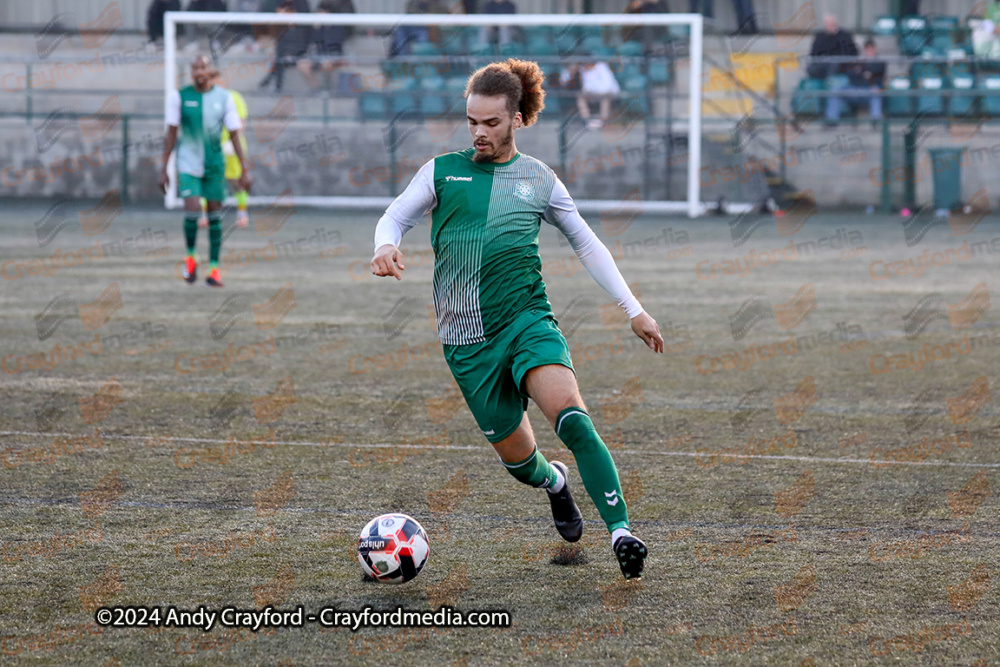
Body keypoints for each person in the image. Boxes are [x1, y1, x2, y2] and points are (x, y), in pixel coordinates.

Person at [369, 59, 664, 580]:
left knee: (571, 415)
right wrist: (385, 245)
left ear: (518, 120)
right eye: (472, 122)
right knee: (521, 465)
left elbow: (587, 244)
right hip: (466, 342)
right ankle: (554, 482)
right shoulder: (442, 170)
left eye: (491, 123)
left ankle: (621, 531)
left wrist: (634, 310)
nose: (479, 133)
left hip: (527, 321)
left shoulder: (538, 179)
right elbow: (395, 214)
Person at [159, 55, 252, 287]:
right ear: (191, 71)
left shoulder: (225, 98)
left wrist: (244, 168)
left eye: (204, 67)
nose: (200, 71)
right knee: (191, 210)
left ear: (211, 71)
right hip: (188, 163)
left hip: (214, 165)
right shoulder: (179, 97)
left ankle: (214, 268)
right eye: (196, 68)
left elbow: (234, 133)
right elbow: (170, 134)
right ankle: (191, 259)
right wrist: (164, 168)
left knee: (214, 216)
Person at [199, 86, 251, 228]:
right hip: (213, 148)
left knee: (237, 180)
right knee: (207, 179)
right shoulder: (205, 98)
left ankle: (242, 213)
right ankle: (204, 215)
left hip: (232, 149)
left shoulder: (235, 97)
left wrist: (230, 142)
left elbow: (241, 123)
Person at [826, 38, 884, 126]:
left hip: (868, 90)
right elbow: (851, 75)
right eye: (867, 48)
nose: (869, 51)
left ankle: (875, 121)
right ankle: (831, 120)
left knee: (876, 91)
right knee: (836, 89)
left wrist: (861, 71)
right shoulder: (857, 61)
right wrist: (866, 73)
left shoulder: (880, 62)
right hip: (855, 89)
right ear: (864, 50)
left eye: (871, 48)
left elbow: (877, 78)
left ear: (875, 49)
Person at [258, 0, 312, 92]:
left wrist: (287, 14)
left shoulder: (302, 3)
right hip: (284, 42)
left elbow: (303, 21)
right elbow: (274, 15)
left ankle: (271, 82)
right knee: (280, 54)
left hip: (299, 44)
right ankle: (276, 85)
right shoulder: (278, 2)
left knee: (280, 56)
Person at [300, 0, 355, 90]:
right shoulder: (316, 28)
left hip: (333, 55)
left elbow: (335, 45)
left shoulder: (337, 27)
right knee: (303, 64)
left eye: (321, 13)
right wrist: (316, 29)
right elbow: (310, 42)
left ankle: (328, 90)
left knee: (326, 63)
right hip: (317, 56)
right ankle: (317, 89)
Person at [563, 60, 621, 130]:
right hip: (593, 94)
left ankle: (603, 122)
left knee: (605, 97)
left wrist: (595, 92)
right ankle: (587, 121)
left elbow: (608, 86)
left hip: (608, 93)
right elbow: (564, 80)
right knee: (580, 97)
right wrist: (572, 71)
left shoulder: (601, 67)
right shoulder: (581, 70)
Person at [808, 14, 858, 80]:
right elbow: (813, 53)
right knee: (810, 69)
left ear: (835, 24)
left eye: (831, 24)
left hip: (841, 65)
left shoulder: (845, 36)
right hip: (822, 64)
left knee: (834, 65)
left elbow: (852, 52)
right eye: (827, 24)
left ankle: (830, 84)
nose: (829, 27)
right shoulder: (819, 37)